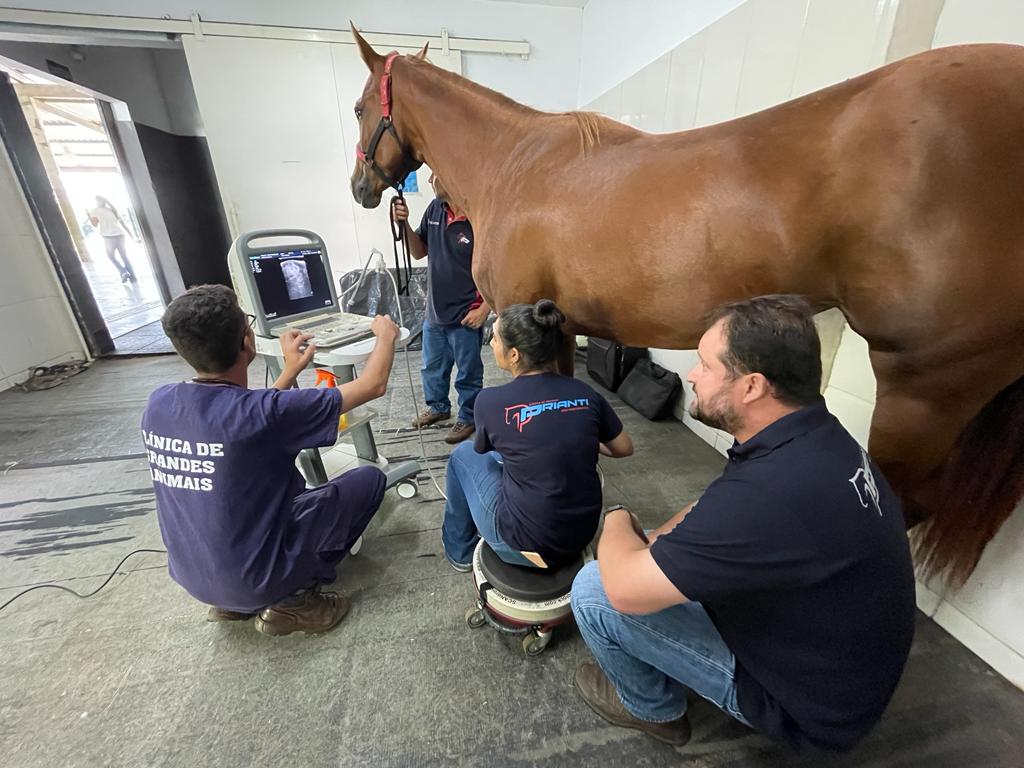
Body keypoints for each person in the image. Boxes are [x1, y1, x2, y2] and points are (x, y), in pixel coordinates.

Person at [570, 295, 916, 752]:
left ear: (752, 386)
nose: (691, 374)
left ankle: (653, 710)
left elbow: (624, 591)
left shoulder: (772, 493)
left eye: (706, 366)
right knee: (648, 555)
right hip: (839, 670)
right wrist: (655, 541)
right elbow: (714, 505)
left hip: (809, 708)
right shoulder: (811, 436)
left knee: (594, 591)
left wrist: (618, 518)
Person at [142, 284, 401, 636]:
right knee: (368, 480)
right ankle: (292, 601)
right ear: (247, 342)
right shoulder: (265, 414)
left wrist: (289, 371)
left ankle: (232, 603)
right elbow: (372, 385)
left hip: (193, 576)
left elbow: (245, 420)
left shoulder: (159, 405)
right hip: (258, 579)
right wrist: (385, 335)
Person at [441, 299, 634, 571]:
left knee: (462, 456)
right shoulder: (585, 393)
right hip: (581, 534)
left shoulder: (490, 401)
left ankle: (460, 551)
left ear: (515, 354)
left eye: (495, 339)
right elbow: (624, 447)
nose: (492, 344)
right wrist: (587, 437)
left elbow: (484, 452)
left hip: (521, 545)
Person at [392, 174, 490, 444]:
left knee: (469, 371)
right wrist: (404, 225)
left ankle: (468, 417)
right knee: (432, 367)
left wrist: (485, 310)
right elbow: (418, 251)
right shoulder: (435, 209)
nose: (429, 179)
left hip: (466, 314)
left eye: (435, 174)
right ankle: (438, 408)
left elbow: (496, 266)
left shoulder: (478, 214)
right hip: (435, 312)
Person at [88, 195, 138, 284]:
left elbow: (95, 225)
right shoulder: (112, 210)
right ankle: (133, 277)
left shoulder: (95, 211)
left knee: (111, 256)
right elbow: (123, 224)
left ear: (98, 201)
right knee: (124, 257)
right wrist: (132, 237)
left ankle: (123, 272)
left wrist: (89, 217)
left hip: (108, 237)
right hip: (120, 235)